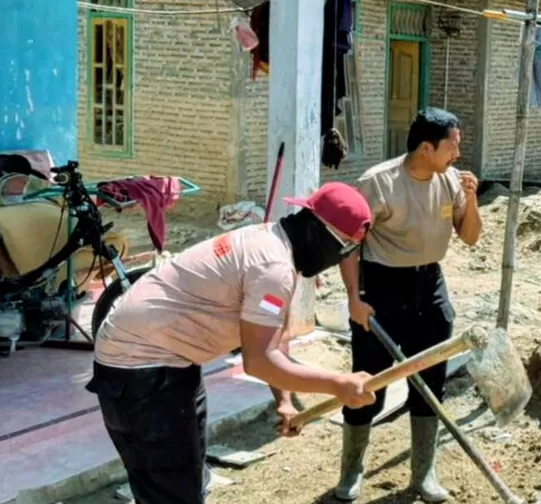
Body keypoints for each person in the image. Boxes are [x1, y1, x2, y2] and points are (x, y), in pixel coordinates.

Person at [88, 182, 379, 504]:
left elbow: (274, 336)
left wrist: (283, 400)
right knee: (172, 492)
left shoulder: (274, 242)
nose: (342, 258)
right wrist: (338, 384)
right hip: (141, 369)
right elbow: (259, 360)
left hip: (168, 359)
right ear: (319, 231)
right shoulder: (273, 267)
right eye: (345, 248)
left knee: (186, 479)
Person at [334, 108, 482, 503]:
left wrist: (471, 198)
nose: (458, 153)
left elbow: (470, 237)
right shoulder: (379, 183)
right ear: (425, 149)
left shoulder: (450, 180)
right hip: (382, 289)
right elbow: (349, 244)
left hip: (429, 287)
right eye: (452, 146)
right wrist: (354, 299)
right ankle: (351, 470)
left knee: (430, 380)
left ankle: (423, 473)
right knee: (367, 383)